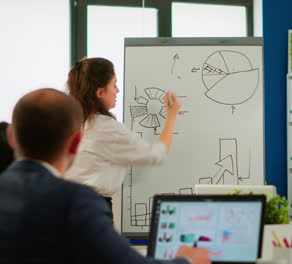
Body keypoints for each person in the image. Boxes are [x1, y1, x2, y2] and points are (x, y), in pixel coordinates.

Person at [0, 88, 210, 264]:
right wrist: (187, 260)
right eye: (114, 85)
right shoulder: (75, 201)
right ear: (76, 143)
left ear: (11, 136)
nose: (117, 90)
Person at [64, 57, 181, 216]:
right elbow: (156, 155)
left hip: (67, 207)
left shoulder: (70, 122)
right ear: (100, 92)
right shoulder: (105, 127)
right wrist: (172, 116)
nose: (117, 91)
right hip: (91, 209)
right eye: (114, 85)